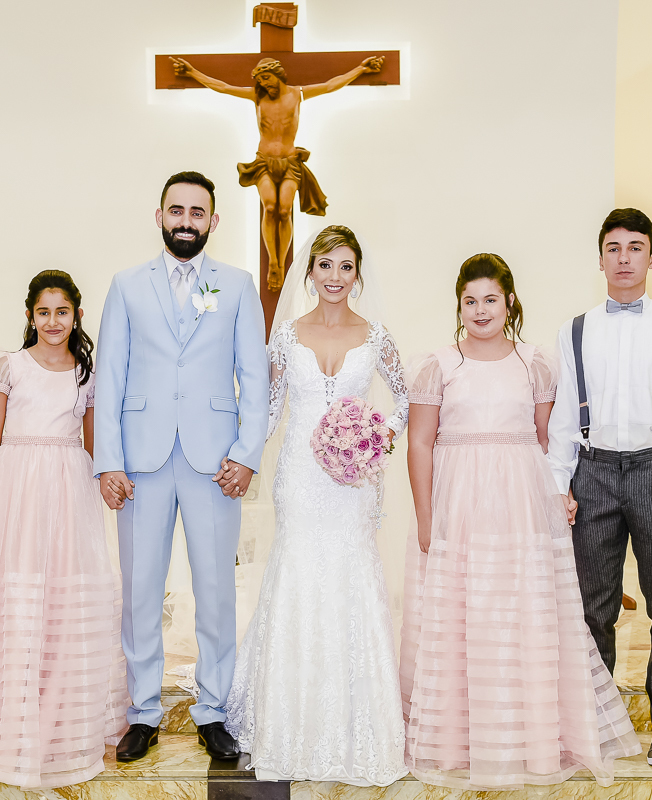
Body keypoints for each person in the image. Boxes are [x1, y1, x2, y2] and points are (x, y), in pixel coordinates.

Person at [401, 255, 641, 789]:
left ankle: (530, 735)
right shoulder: (438, 365)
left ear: (508, 301)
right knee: (464, 610)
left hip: (520, 499)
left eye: (491, 299)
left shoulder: (534, 363)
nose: (480, 310)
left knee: (520, 610)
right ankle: (457, 737)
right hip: (458, 503)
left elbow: (549, 441)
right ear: (458, 306)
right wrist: (426, 516)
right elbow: (419, 443)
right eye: (470, 301)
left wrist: (560, 495)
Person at [94, 171, 270, 763]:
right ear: (160, 214)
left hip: (214, 461)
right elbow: (110, 376)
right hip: (141, 462)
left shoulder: (237, 285)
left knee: (216, 591)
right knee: (141, 591)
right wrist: (107, 462)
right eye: (177, 209)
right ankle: (143, 712)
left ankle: (213, 710)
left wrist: (246, 454)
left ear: (214, 221)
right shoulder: (126, 285)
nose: (186, 220)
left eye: (198, 211)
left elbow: (255, 377)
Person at [226, 224, 410, 786]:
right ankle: (287, 720)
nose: (334, 277)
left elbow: (404, 401)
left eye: (345, 266)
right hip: (301, 481)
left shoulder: (376, 336)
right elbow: (271, 408)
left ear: (358, 274)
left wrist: (375, 439)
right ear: (309, 272)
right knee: (300, 575)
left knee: (351, 576)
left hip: (355, 483)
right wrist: (240, 454)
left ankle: (358, 724)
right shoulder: (284, 336)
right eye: (325, 265)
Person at [0, 271, 128, 789]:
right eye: (43, 313)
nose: (53, 322)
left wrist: (109, 483)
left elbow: (92, 446)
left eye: (62, 312)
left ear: (77, 316)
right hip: (14, 491)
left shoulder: (85, 372)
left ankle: (61, 726)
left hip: (67, 492)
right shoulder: (9, 366)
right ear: (30, 316)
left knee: (62, 603)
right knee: (14, 600)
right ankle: (4, 729)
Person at [547, 209, 652, 768]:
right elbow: (561, 425)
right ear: (599, 258)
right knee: (591, 609)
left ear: (651, 257)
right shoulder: (574, 330)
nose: (624, 258)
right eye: (614, 248)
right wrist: (558, 484)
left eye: (635, 247)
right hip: (592, 474)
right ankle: (595, 722)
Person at [170, 55, 384, 291]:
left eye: (267, 79)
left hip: (290, 161)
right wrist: (191, 73)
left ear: (278, 74)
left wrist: (361, 70)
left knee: (284, 209)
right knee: (270, 207)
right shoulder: (257, 97)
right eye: (260, 81)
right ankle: (274, 262)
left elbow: (332, 84)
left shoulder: (297, 94)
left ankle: (282, 262)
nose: (264, 85)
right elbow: (222, 87)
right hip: (264, 162)